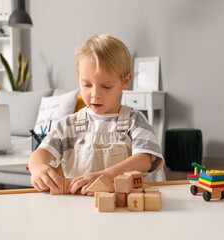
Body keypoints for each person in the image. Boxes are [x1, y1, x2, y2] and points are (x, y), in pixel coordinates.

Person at [28, 34, 165, 195]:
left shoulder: (134, 120)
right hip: (79, 207)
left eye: (106, 86)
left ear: (125, 81)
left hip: (125, 206)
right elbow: (40, 154)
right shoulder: (68, 126)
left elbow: (145, 159)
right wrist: (37, 168)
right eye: (86, 85)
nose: (95, 94)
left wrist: (107, 176)